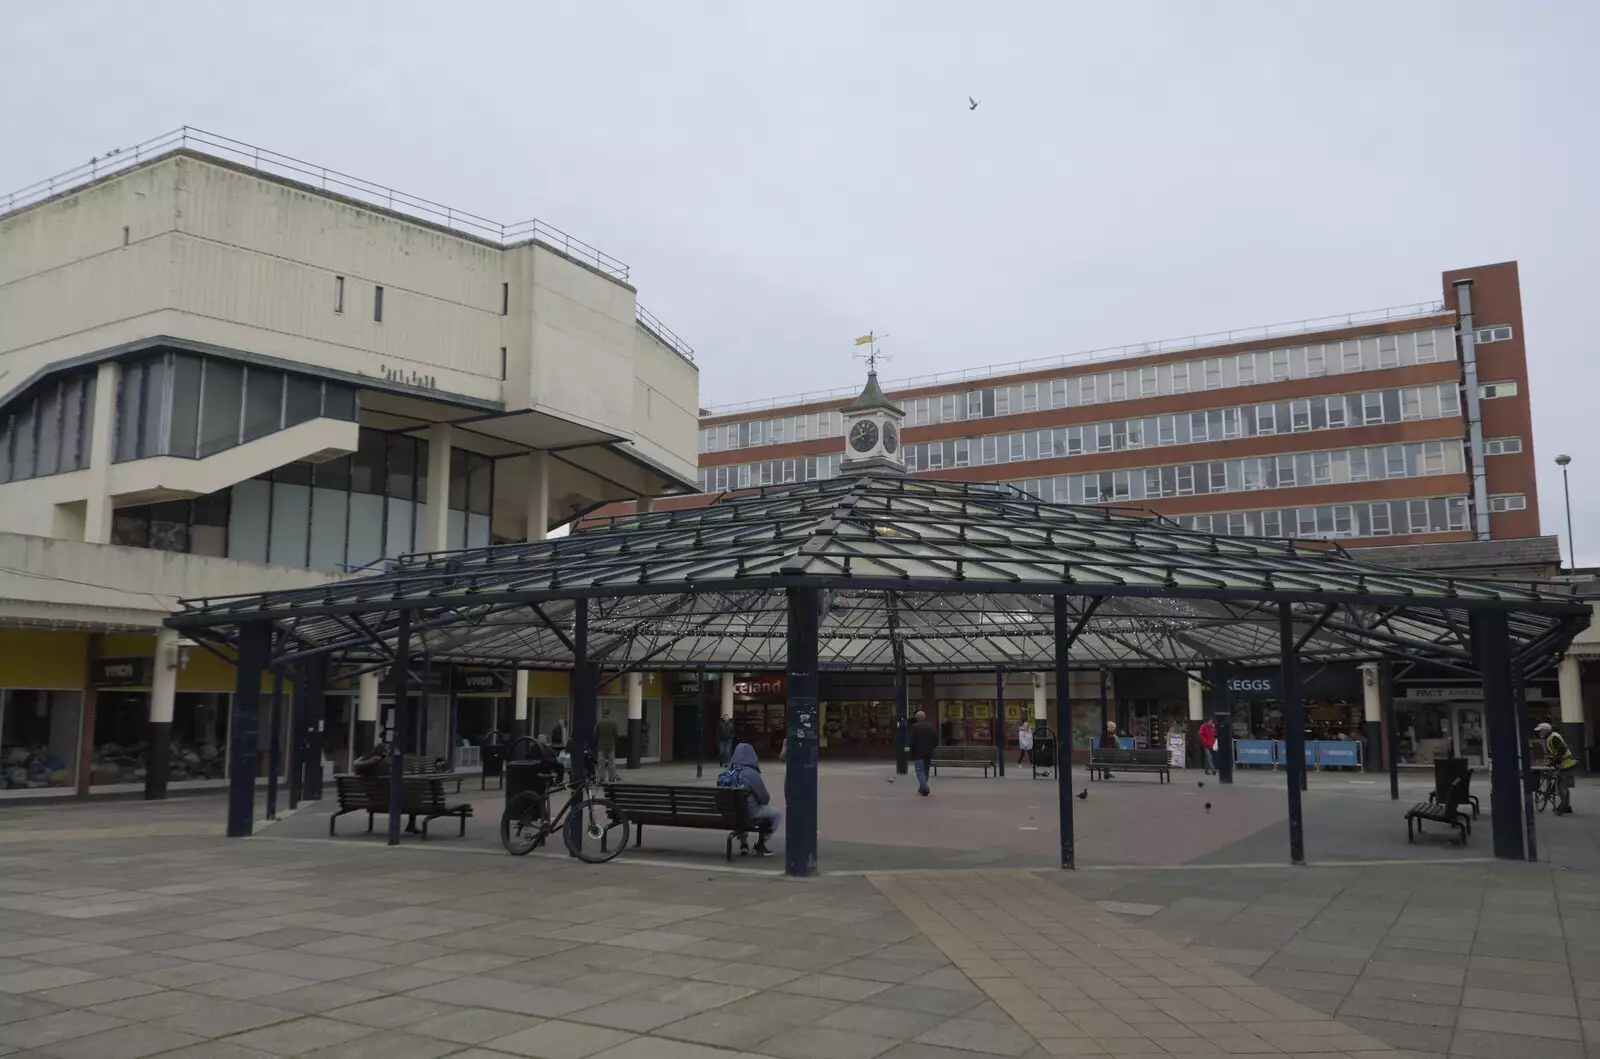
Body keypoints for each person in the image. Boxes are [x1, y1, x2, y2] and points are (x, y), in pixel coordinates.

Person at [721, 743, 780, 855]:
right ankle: (760, 845)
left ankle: (744, 844)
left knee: (738, 811)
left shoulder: (726, 772)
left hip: (728, 813)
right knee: (776, 814)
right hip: (750, 813)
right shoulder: (751, 774)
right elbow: (764, 798)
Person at [1537, 722, 1578, 815]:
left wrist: (1556, 759)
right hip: (1562, 765)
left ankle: (1562, 808)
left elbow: (1562, 749)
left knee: (1562, 787)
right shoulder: (1550, 737)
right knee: (1561, 786)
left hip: (1566, 764)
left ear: (1545, 731)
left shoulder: (1553, 737)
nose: (1539, 733)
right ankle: (1566, 807)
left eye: (1540, 731)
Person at [908, 709, 938, 796]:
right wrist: (931, 748)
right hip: (928, 753)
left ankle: (925, 787)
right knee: (925, 771)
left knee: (920, 771)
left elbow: (912, 741)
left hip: (918, 753)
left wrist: (909, 750)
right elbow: (935, 740)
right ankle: (922, 788)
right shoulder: (930, 726)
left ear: (917, 718)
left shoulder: (914, 727)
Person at [595, 708, 620, 783]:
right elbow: (616, 734)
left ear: (603, 714)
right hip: (610, 746)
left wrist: (599, 740)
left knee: (601, 763)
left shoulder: (599, 722)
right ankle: (612, 777)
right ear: (609, 714)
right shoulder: (613, 722)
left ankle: (601, 779)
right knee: (611, 763)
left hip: (601, 746)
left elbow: (595, 734)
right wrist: (614, 741)